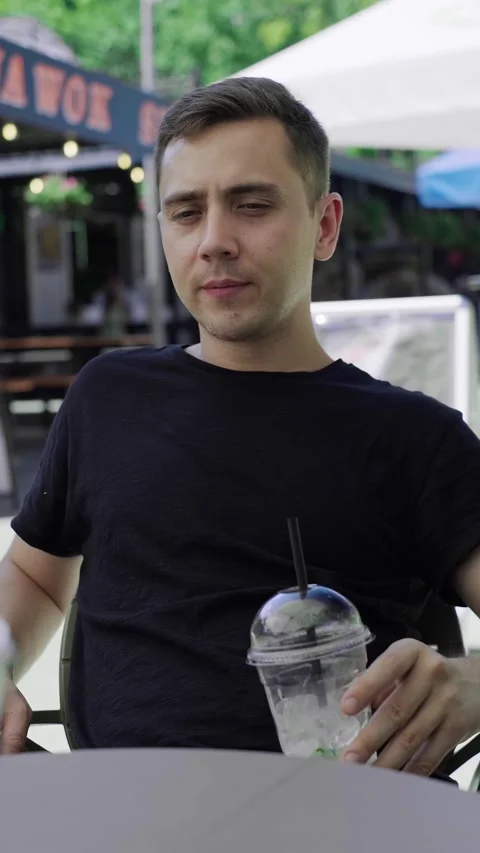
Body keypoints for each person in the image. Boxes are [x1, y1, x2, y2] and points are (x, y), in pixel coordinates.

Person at [1, 78, 480, 776]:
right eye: (186, 212)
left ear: (324, 225)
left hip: (346, 822)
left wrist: (473, 683)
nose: (215, 241)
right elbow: (36, 578)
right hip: (117, 815)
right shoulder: (109, 396)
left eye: (251, 206)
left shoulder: (416, 438)